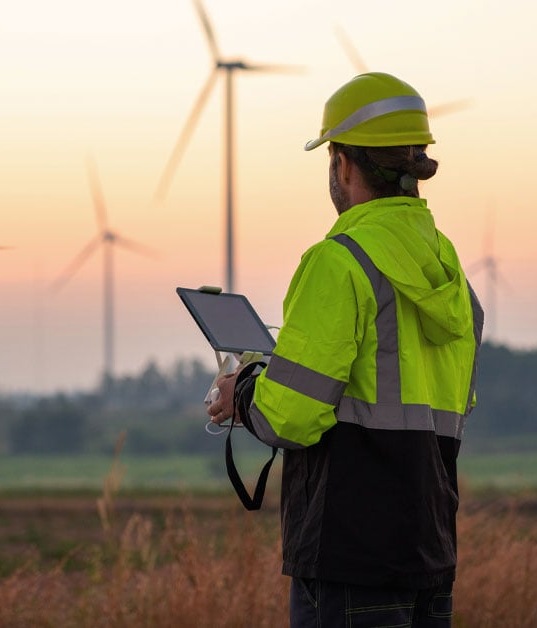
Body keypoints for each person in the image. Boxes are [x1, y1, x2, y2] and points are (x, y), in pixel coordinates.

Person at [207, 71, 482, 628]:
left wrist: (245, 390)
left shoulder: (339, 262)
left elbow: (292, 416)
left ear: (344, 164)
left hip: (351, 553)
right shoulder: (448, 271)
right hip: (429, 550)